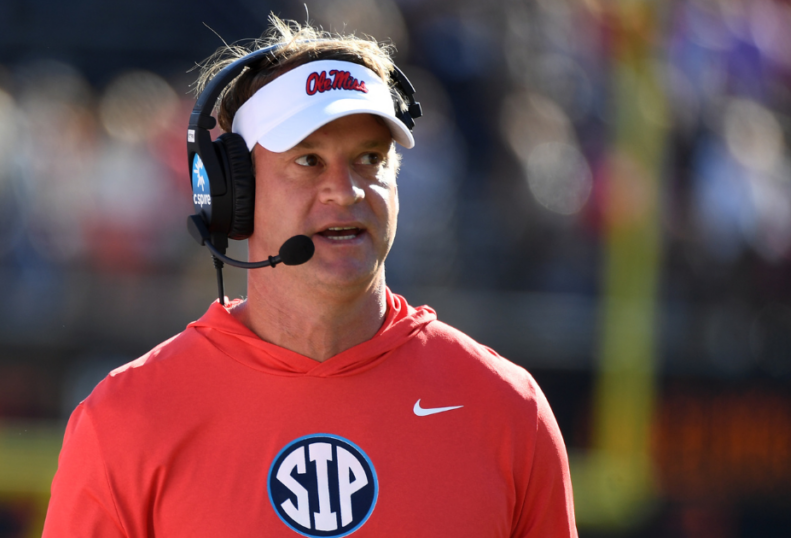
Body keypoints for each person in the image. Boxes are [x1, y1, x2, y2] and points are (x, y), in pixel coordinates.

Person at [43, 16, 577, 538]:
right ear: (235, 192)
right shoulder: (125, 418)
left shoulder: (508, 410)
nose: (345, 191)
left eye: (370, 158)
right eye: (309, 160)